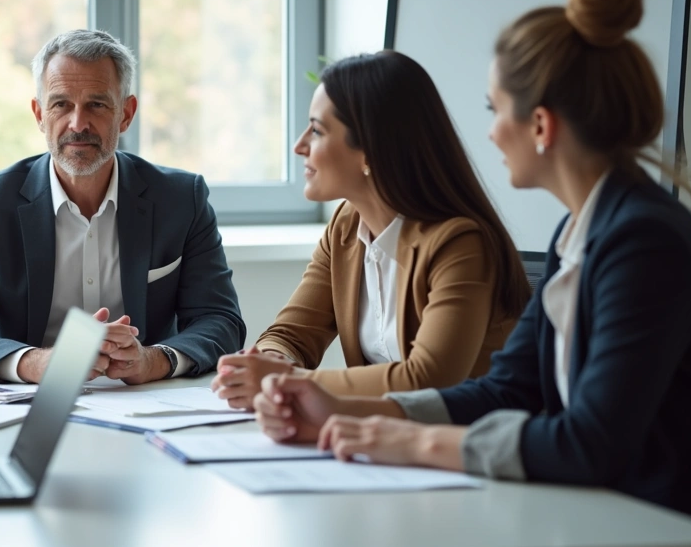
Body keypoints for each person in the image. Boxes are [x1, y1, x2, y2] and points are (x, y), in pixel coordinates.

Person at [253, 0, 691, 524]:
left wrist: (412, 442)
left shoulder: (644, 243)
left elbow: (589, 442)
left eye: (496, 110)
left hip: (667, 526)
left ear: (540, 125)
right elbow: (507, 390)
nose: (491, 132)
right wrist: (347, 408)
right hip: (602, 515)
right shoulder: (584, 231)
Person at [211, 51, 530, 409]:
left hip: (472, 447)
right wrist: (266, 364)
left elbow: (428, 379)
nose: (299, 146)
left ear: (368, 151)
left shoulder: (460, 243)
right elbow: (291, 336)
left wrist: (285, 380)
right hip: (387, 442)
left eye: (316, 130)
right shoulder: (346, 226)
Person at [0, 29, 245, 384]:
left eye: (97, 104)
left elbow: (220, 320)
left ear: (126, 113)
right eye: (61, 104)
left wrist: (152, 361)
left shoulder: (182, 199)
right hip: (28, 401)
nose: (78, 124)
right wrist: (38, 363)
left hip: (145, 400)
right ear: (39, 114)